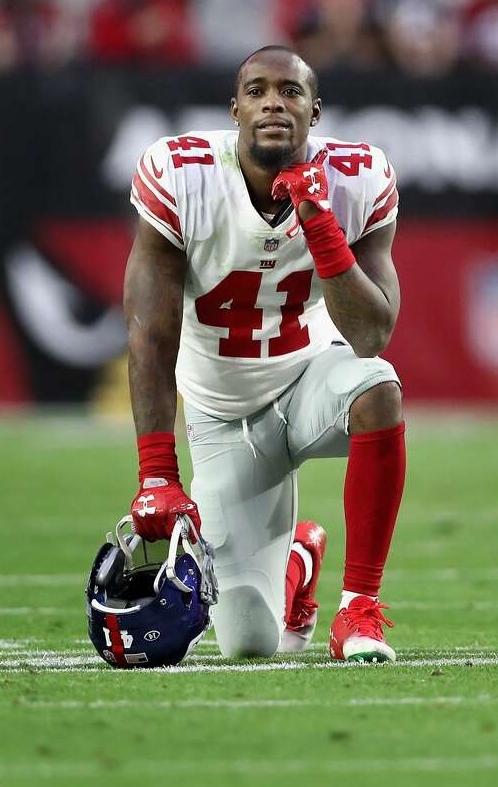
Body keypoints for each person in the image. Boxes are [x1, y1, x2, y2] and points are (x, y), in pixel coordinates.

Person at [123, 45, 405, 662]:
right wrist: (157, 474)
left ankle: (360, 608)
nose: (273, 101)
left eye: (290, 91)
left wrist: (319, 221)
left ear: (315, 111)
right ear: (234, 109)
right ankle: (296, 562)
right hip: (223, 417)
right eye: (256, 91)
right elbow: (149, 333)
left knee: (378, 384)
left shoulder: (357, 177)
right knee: (249, 643)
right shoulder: (182, 174)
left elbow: (371, 335)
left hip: (310, 381)